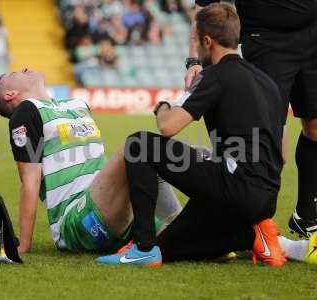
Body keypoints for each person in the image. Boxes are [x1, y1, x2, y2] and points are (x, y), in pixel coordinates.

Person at [96, 3, 317, 267]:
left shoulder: (215, 76)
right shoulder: (267, 82)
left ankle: (143, 246)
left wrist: (163, 107)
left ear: (207, 41)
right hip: (264, 199)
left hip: (235, 187)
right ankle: (252, 236)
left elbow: (167, 127)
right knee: (170, 246)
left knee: (138, 144)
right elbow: (280, 153)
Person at [0, 68, 182, 253]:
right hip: (78, 221)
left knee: (182, 234)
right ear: (10, 94)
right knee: (137, 146)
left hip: (118, 213)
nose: (24, 68)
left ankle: (178, 224)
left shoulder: (78, 104)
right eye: (15, 73)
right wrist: (23, 244)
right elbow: (30, 181)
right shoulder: (26, 112)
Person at [185, 0, 317, 238]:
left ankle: (307, 216)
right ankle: (252, 224)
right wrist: (194, 61)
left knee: (316, 127)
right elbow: (203, 9)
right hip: (267, 40)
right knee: (270, 139)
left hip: (312, 33)